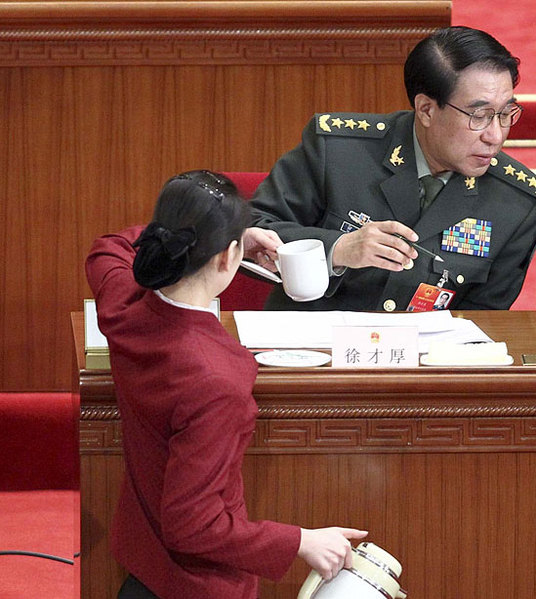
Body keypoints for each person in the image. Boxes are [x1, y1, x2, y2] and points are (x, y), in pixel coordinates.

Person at [85, 170, 367, 599]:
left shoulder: (124, 308)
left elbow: (109, 247)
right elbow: (192, 525)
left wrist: (211, 235)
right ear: (228, 257)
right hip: (198, 587)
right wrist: (301, 541)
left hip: (144, 566)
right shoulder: (215, 376)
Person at [248, 26, 536, 312]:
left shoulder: (516, 203)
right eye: (479, 116)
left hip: (430, 349)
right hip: (311, 343)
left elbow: (485, 321)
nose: (495, 136)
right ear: (426, 110)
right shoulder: (337, 151)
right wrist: (337, 249)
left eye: (506, 114)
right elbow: (251, 232)